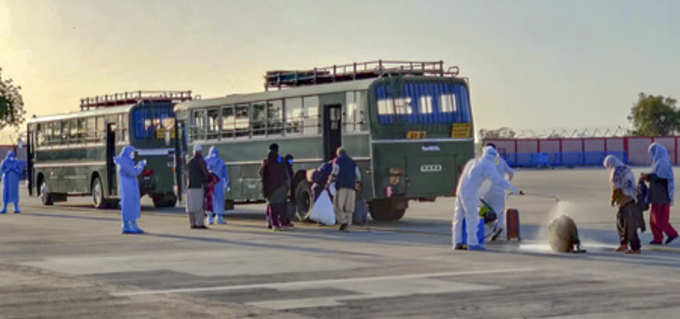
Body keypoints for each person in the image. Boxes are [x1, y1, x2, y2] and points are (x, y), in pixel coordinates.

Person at [453, 146, 522, 251]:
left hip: (460, 190)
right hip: (470, 193)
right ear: (493, 156)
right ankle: (472, 243)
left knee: (458, 217)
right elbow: (499, 181)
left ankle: (457, 242)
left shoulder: (473, 161)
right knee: (473, 217)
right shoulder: (488, 165)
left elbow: (465, 176)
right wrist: (515, 190)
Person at [603, 155, 644, 254]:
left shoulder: (616, 172)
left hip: (625, 200)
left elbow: (616, 188)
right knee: (621, 223)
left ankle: (635, 248)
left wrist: (612, 200)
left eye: (608, 166)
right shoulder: (626, 168)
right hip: (632, 197)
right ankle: (624, 244)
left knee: (629, 225)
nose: (608, 168)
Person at [641, 143, 678, 245]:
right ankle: (657, 239)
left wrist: (648, 177)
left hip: (662, 196)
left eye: (652, 152)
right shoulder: (658, 162)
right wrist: (647, 177)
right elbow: (656, 177)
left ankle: (672, 234)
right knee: (653, 221)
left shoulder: (663, 162)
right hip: (656, 195)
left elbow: (660, 178)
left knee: (659, 220)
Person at [481, 143, 514, 240]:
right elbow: (511, 172)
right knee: (500, 211)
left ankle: (493, 226)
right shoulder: (500, 160)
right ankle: (498, 227)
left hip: (485, 190)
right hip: (499, 190)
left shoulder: (483, 161)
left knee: (484, 210)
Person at [114, 146, 147, 234]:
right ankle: (129, 225)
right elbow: (133, 172)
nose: (133, 154)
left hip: (130, 187)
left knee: (131, 205)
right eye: (131, 152)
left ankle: (130, 225)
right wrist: (141, 165)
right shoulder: (123, 161)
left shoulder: (126, 160)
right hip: (127, 188)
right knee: (129, 206)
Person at [259, 143, 289, 231]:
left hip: (270, 187)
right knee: (279, 206)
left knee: (272, 206)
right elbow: (285, 170)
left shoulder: (266, 161)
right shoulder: (280, 159)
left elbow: (261, 174)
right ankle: (278, 223)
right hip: (281, 186)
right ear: (277, 150)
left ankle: (272, 223)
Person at [329, 147, 361, 232]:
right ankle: (348, 225)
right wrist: (357, 183)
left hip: (341, 186)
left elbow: (335, 172)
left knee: (337, 206)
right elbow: (358, 175)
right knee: (349, 208)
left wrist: (329, 181)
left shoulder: (337, 161)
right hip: (351, 188)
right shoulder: (353, 162)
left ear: (338, 153)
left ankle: (343, 221)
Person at [187, 144, 210, 229]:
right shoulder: (201, 161)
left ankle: (192, 223)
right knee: (199, 206)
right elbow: (205, 173)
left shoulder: (189, 161)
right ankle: (200, 223)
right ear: (199, 152)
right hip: (198, 185)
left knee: (191, 206)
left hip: (190, 186)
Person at [205, 146, 229, 225]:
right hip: (219, 184)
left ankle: (209, 217)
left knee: (209, 200)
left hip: (209, 184)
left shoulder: (206, 160)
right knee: (219, 200)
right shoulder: (221, 161)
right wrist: (227, 184)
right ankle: (219, 217)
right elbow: (225, 175)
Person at [281, 154, 295, 228]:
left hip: (287, 189)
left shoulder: (288, 168)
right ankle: (285, 221)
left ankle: (286, 221)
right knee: (285, 206)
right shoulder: (286, 168)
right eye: (290, 160)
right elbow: (288, 179)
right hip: (286, 189)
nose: (291, 162)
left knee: (286, 206)